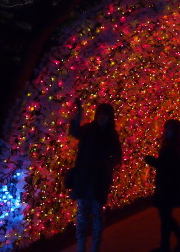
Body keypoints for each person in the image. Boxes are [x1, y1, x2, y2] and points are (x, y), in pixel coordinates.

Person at [68, 99, 122, 252]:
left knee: (97, 213)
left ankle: (95, 246)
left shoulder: (112, 135)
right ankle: (81, 246)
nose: (101, 117)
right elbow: (74, 132)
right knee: (82, 213)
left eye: (104, 115)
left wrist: (108, 164)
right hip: (84, 178)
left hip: (100, 180)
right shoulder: (89, 129)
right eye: (99, 114)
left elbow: (118, 155)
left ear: (109, 117)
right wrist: (78, 114)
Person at [145, 119, 180, 252]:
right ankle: (177, 240)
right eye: (166, 128)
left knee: (165, 217)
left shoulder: (171, 147)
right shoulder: (173, 145)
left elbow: (166, 166)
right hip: (169, 187)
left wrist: (150, 160)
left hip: (168, 188)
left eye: (169, 129)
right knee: (166, 217)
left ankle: (170, 244)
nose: (166, 130)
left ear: (175, 131)